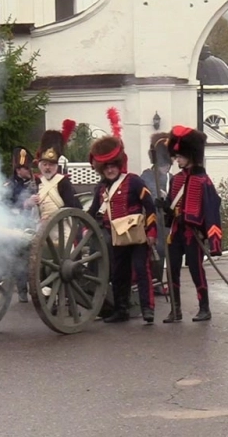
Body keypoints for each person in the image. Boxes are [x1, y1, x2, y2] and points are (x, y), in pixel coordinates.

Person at [87, 109, 159, 324]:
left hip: (137, 236)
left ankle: (148, 309)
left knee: (141, 270)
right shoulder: (100, 189)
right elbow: (92, 213)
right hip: (116, 237)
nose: (110, 170)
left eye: (113, 165)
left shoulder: (134, 181)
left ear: (119, 165)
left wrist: (152, 232)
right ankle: (121, 309)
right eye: (106, 167)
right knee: (119, 274)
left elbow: (150, 207)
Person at [164, 125, 223, 322]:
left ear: (190, 155)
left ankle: (204, 308)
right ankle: (175, 309)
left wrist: (213, 241)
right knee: (172, 270)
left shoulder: (203, 180)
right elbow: (172, 209)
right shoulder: (175, 180)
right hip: (176, 232)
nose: (177, 159)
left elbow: (212, 208)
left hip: (192, 233)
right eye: (176, 155)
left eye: (180, 156)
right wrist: (165, 207)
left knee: (196, 270)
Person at [141, 132, 173, 297]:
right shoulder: (147, 175)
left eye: (168, 163)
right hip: (150, 219)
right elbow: (146, 195)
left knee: (162, 251)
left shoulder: (171, 178)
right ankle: (152, 283)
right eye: (164, 163)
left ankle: (159, 282)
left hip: (165, 221)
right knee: (153, 251)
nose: (166, 167)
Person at [3, 146, 36, 303]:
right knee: (21, 259)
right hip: (16, 226)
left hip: (35, 225)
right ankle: (22, 290)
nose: (29, 170)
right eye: (25, 168)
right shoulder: (9, 187)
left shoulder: (35, 182)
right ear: (19, 169)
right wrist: (24, 204)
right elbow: (5, 208)